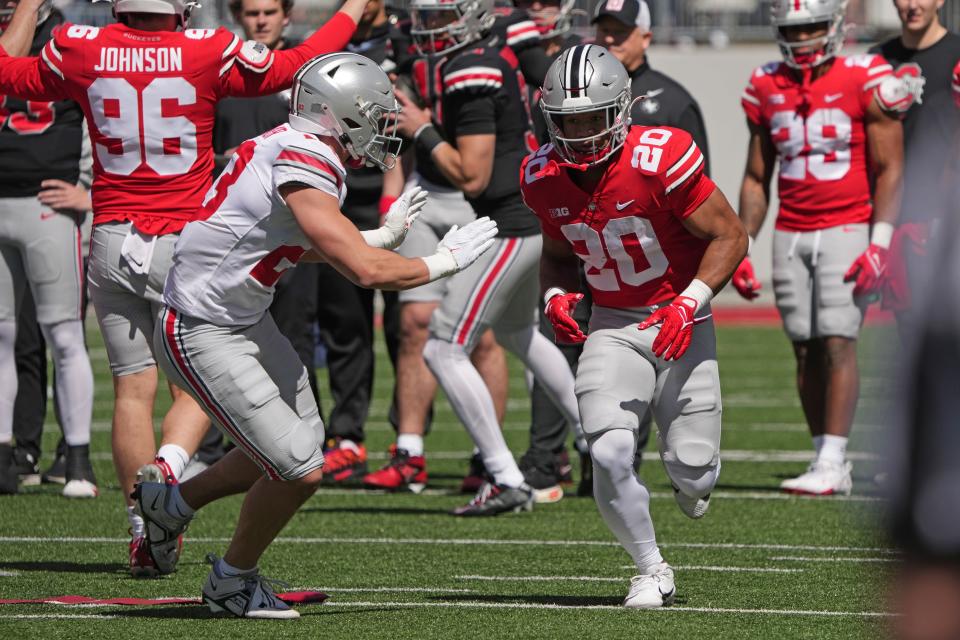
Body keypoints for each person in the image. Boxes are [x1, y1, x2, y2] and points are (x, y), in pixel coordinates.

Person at [0, 0, 367, 574]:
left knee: (130, 387)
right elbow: (300, 60)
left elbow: (5, 70)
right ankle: (170, 472)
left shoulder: (79, 44)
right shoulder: (206, 46)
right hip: (184, 241)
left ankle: (144, 536)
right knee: (193, 380)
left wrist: (26, 5)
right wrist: (354, 7)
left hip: (111, 236)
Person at [134, 52, 497, 618]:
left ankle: (170, 504)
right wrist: (442, 262)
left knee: (288, 447)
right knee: (299, 467)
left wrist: (373, 236)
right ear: (339, 113)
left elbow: (278, 245)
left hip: (242, 319)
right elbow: (364, 273)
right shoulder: (307, 158)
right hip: (203, 327)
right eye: (373, 115)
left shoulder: (290, 142)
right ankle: (232, 579)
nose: (382, 129)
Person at [522, 43, 745, 608]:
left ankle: (690, 473)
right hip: (614, 322)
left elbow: (730, 236)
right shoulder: (543, 175)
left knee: (694, 472)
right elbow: (556, 253)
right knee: (609, 452)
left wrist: (688, 303)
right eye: (568, 122)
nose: (580, 135)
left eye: (593, 120)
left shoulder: (660, 156)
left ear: (621, 111)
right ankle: (651, 568)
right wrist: (554, 295)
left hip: (681, 316)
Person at [390, 0, 582, 516]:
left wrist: (421, 129)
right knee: (521, 334)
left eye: (438, 16)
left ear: (469, 17)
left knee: (442, 348)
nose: (426, 27)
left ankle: (503, 476)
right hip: (520, 218)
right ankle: (597, 438)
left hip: (508, 226)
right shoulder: (477, 60)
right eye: (424, 16)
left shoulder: (471, 69)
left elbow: (470, 175)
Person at [731, 0, 904, 495]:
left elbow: (891, 165)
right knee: (804, 347)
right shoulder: (765, 82)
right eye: (793, 29)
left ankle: (834, 458)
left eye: (811, 27)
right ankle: (823, 457)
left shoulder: (865, 74)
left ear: (834, 26)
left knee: (837, 339)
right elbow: (756, 176)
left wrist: (880, 242)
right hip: (791, 230)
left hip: (847, 225)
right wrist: (744, 245)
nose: (803, 38)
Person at [0, 0, 95, 498]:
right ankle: (5, 457)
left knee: (63, 333)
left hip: (48, 207)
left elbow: (109, 117)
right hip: (3, 203)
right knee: (2, 338)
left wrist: (91, 191)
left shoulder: (72, 41)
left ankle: (77, 458)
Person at [870, 0, 960, 332]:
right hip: (896, 216)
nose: (912, 4)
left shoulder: (957, 53)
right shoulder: (875, 59)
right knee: (909, 333)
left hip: (948, 215)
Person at [593, 0, 710, 175]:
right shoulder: (578, 91)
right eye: (604, 30)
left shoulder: (675, 102)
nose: (609, 38)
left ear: (646, 38)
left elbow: (699, 184)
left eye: (619, 31)